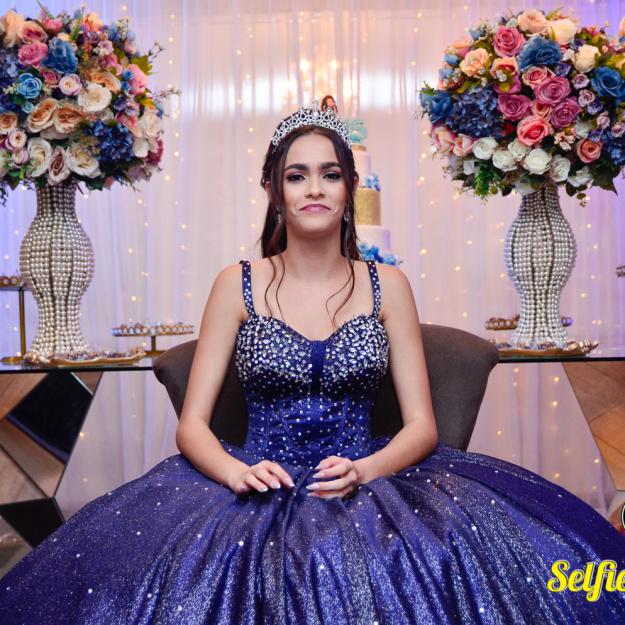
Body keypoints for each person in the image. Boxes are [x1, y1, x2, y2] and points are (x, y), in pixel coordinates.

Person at [1, 101, 625, 625]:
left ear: (350, 189)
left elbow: (421, 427)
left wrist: (365, 470)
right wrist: (235, 473)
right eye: (297, 176)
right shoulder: (235, 283)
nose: (315, 188)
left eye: (330, 174)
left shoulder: (388, 286)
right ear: (274, 191)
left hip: (369, 476)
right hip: (255, 478)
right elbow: (192, 426)